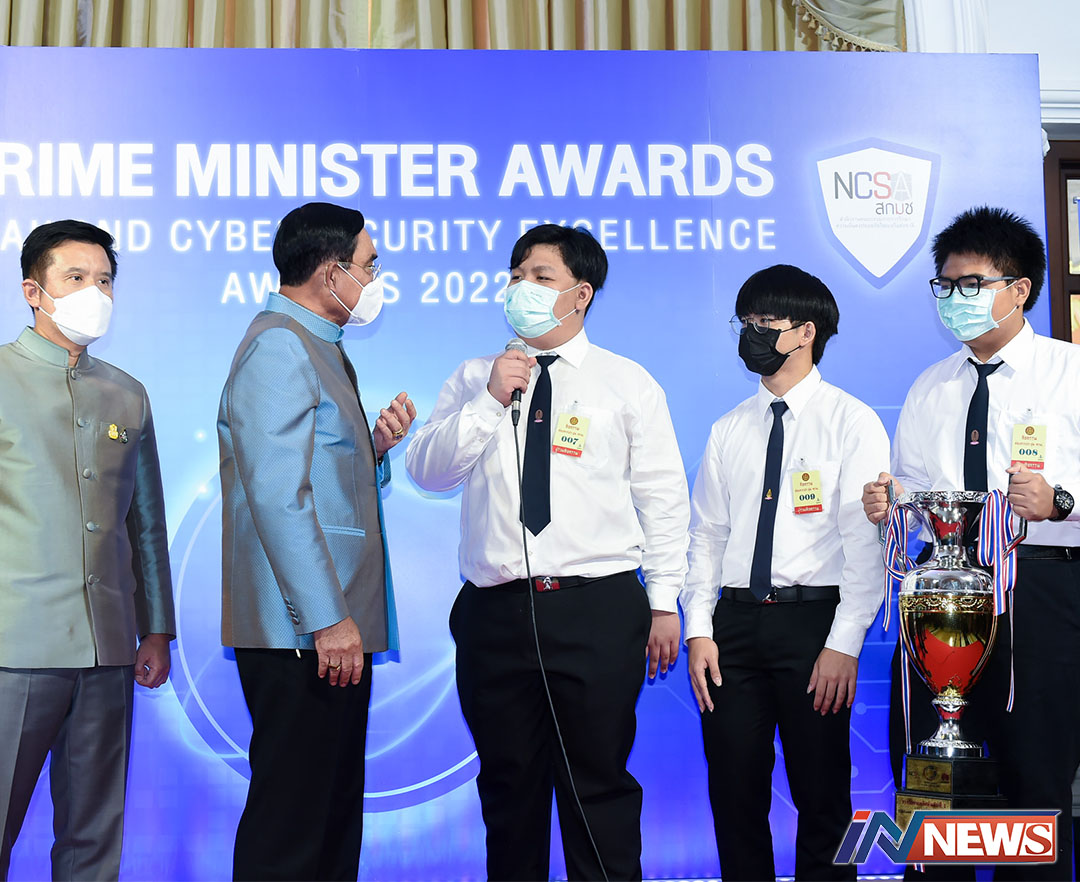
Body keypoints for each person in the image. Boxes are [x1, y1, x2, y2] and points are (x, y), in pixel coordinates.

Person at [405, 224, 689, 881]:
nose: (521, 288)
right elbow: (428, 470)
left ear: (580, 294)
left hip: (596, 609)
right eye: (515, 276)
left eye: (540, 276)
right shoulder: (475, 377)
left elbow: (663, 500)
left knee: (597, 789)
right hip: (495, 613)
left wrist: (664, 601)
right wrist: (489, 399)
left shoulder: (627, 383)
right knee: (509, 793)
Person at [862, 206, 1080, 879]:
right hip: (942, 597)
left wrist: (1061, 502)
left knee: (1033, 781)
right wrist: (891, 507)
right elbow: (917, 502)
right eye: (946, 286)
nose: (955, 298)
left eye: (971, 284)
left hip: (1041, 591)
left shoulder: (1070, 373)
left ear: (1019, 289)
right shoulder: (930, 387)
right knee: (936, 780)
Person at [218, 202, 415, 882]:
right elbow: (276, 497)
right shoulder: (280, 344)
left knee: (329, 820)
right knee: (293, 829)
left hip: (327, 629)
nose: (374, 278)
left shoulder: (319, 343)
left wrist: (373, 449)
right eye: (369, 265)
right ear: (332, 273)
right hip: (304, 632)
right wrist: (328, 619)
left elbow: (316, 474)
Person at [682, 264, 887, 881]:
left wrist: (844, 644)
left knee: (822, 797)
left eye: (765, 321)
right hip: (733, 628)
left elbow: (865, 546)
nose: (752, 333)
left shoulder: (851, 421)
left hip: (813, 625)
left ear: (805, 332)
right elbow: (706, 537)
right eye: (745, 322)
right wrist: (699, 630)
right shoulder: (728, 429)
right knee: (734, 795)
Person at [0, 220, 175, 881]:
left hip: (108, 649)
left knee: (94, 839)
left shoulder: (127, 393)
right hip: (14, 647)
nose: (94, 292)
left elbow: (146, 523)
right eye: (75, 277)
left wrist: (155, 629)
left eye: (104, 280)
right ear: (33, 291)